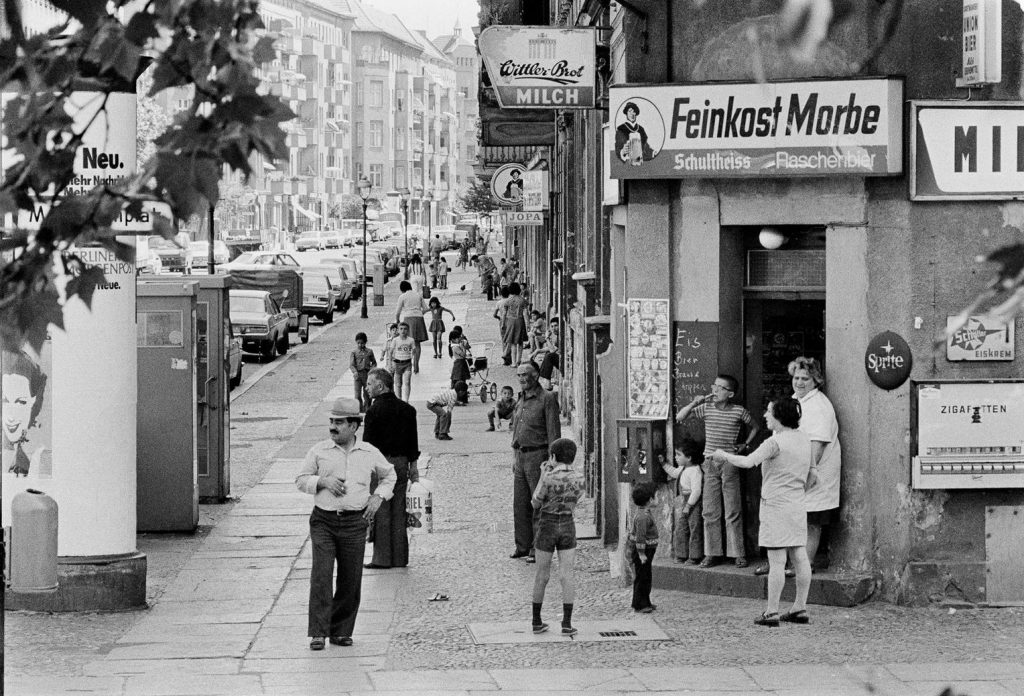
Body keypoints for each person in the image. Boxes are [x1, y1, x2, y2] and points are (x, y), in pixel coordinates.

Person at [295, 397, 396, 650]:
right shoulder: (319, 450)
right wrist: (322, 482)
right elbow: (300, 479)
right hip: (324, 521)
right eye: (331, 421)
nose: (333, 427)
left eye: (339, 422)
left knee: (351, 578)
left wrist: (378, 497)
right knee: (321, 575)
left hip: (355, 523)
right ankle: (318, 632)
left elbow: (390, 475)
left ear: (354, 426)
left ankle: (340, 631)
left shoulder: (369, 453)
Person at [711, 399, 813, 627]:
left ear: (779, 416)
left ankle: (772, 612)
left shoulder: (774, 443)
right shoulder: (804, 439)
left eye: (769, 411)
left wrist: (723, 455)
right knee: (799, 554)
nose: (765, 415)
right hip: (796, 503)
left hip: (775, 504)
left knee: (776, 560)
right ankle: (800, 607)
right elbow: (813, 475)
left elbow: (748, 462)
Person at [674, 374, 760, 568]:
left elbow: (755, 426)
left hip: (730, 462)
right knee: (710, 511)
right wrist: (695, 402)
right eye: (714, 386)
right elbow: (680, 417)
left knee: (733, 509)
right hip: (710, 463)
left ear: (729, 394)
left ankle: (737, 553)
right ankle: (712, 552)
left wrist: (745, 445)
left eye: (720, 388)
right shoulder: (706, 408)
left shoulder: (738, 411)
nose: (714, 390)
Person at [363, 368, 419, 569]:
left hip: (381, 465)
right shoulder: (407, 410)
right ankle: (399, 557)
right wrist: (414, 467)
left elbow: (367, 446)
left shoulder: (373, 412)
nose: (367, 388)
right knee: (399, 510)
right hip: (402, 463)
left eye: (370, 384)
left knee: (381, 510)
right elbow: (413, 443)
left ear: (380, 386)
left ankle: (382, 558)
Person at [530, 438, 585, 636]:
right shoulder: (579, 478)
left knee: (542, 575)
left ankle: (537, 621)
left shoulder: (548, 477)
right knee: (566, 575)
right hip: (567, 524)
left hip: (547, 524)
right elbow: (577, 499)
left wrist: (543, 474)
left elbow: (535, 502)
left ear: (553, 456)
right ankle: (567, 623)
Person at [790, 356, 840, 573]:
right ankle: (795, 562)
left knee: (812, 520)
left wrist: (807, 474)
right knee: (799, 517)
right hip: (798, 468)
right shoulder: (798, 400)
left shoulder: (819, 406)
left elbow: (817, 447)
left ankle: (806, 563)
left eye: (805, 379)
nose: (799, 382)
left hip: (815, 469)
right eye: (796, 377)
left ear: (816, 381)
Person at [509, 361, 561, 563]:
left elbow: (553, 433)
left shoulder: (547, 399)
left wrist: (552, 463)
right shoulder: (521, 398)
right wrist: (514, 456)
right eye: (519, 375)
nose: (522, 378)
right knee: (520, 504)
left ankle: (537, 550)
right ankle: (522, 546)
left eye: (525, 374)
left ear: (536, 376)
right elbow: (515, 430)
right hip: (521, 457)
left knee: (538, 504)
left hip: (538, 457)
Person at [2, 349, 48, 476]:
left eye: (20, 402)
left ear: (33, 401)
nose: (10, 416)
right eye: (5, 401)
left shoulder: (41, 455)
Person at [662, 439, 704, 564]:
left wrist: (688, 506)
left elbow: (696, 491)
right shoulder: (683, 468)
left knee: (694, 528)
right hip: (685, 500)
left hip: (693, 502)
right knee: (681, 528)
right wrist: (663, 463)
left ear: (689, 457)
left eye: (678, 455)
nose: (675, 457)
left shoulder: (695, 471)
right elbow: (674, 473)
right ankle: (681, 554)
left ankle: (695, 556)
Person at [627, 484, 659, 613]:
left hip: (647, 550)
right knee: (642, 577)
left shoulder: (644, 513)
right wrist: (641, 553)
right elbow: (640, 537)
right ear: (650, 500)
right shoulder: (643, 517)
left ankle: (646, 601)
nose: (657, 499)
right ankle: (639, 604)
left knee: (646, 576)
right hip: (643, 551)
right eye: (656, 497)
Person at [394, 280, 428, 373]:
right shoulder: (418, 295)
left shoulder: (402, 296)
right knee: (417, 343)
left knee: (408, 341)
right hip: (419, 318)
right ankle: (416, 364)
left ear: (402, 289)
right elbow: (426, 308)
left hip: (408, 318)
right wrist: (420, 314)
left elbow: (398, 311)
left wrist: (397, 320)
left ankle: (410, 362)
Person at [614, 101, 655, 165]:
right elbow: (618, 148)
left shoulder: (641, 129)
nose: (632, 114)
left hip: (640, 163)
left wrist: (653, 152)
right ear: (626, 113)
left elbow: (645, 146)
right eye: (630, 111)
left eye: (634, 111)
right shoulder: (621, 129)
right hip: (628, 164)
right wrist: (622, 152)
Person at [386, 322, 416, 401]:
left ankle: (406, 400)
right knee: (398, 384)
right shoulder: (395, 340)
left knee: (407, 382)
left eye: (405, 329)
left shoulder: (411, 340)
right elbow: (390, 352)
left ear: (408, 330)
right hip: (397, 363)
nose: (403, 331)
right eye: (401, 329)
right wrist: (390, 365)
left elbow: (414, 351)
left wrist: (413, 360)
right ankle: (399, 400)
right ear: (398, 330)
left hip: (407, 363)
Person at [501, 282, 529, 367]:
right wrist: (527, 324)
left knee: (513, 343)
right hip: (520, 320)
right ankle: (518, 360)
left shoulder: (507, 301)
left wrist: (502, 323)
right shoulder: (522, 300)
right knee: (520, 342)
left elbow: (504, 313)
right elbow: (525, 313)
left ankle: (513, 362)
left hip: (510, 321)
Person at [349, 332, 377, 412]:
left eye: (362, 343)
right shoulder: (354, 352)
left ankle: (367, 410)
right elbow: (351, 365)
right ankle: (359, 410)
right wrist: (354, 372)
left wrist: (372, 370)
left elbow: (374, 362)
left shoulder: (369, 351)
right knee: (357, 395)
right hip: (358, 375)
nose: (360, 345)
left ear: (365, 342)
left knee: (367, 394)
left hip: (367, 375)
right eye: (358, 343)